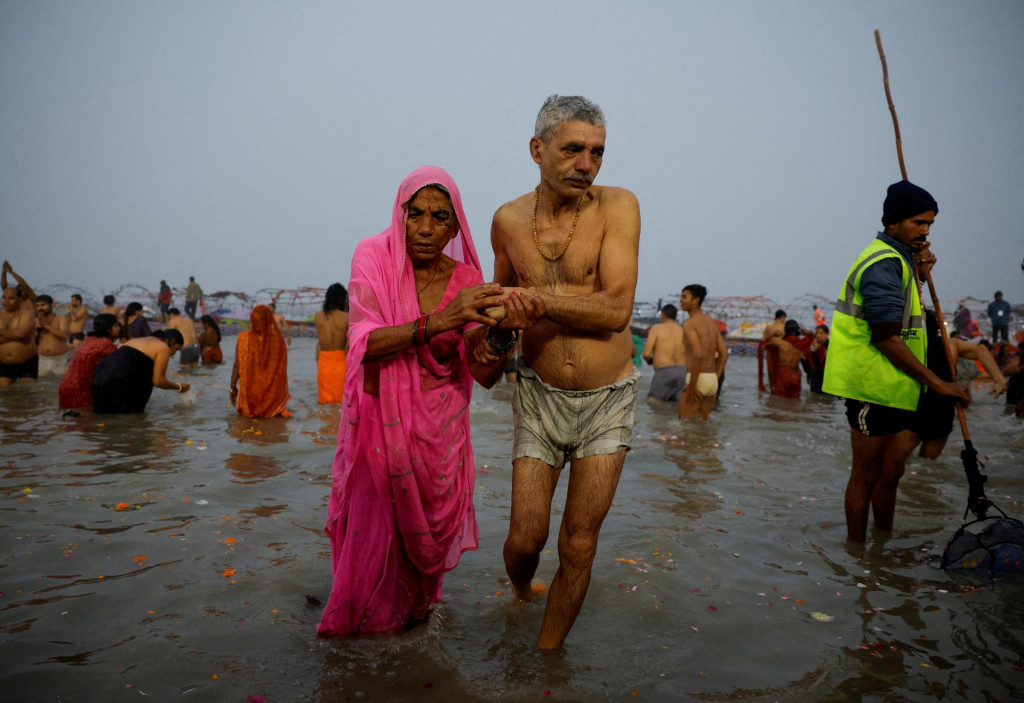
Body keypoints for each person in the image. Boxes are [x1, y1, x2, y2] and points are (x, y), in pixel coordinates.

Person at [317, 166, 515, 637]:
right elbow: (363, 342)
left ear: (455, 226)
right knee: (373, 548)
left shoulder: (466, 278)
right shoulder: (373, 256)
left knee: (418, 578)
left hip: (438, 441)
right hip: (378, 433)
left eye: (440, 217)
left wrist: (503, 334)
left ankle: (408, 642)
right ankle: (361, 643)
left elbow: (483, 373)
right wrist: (442, 320)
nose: (426, 228)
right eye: (415, 214)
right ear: (399, 214)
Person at [489, 95, 641, 649]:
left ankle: (545, 664)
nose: (587, 164)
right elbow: (499, 312)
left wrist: (535, 302)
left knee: (578, 543)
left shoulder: (618, 206)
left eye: (597, 152)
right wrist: (494, 331)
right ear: (537, 149)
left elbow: (616, 309)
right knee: (525, 538)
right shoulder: (508, 221)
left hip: (607, 399)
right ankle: (520, 592)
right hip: (539, 394)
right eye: (573, 149)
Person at [821, 180, 970, 543]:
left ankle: (881, 549)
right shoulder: (883, 263)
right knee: (866, 475)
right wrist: (939, 384)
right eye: (919, 222)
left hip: (894, 386)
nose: (926, 231)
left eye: (930, 224)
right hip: (870, 386)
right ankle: (858, 557)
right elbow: (886, 336)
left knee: (891, 473)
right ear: (893, 222)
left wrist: (920, 273)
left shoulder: (900, 261)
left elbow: (903, 317)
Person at [899, 310, 1007, 459]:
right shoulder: (951, 345)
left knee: (897, 462)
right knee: (926, 463)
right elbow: (980, 351)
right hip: (941, 409)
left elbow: (979, 351)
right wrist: (999, 380)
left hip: (915, 407)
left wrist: (999, 380)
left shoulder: (904, 346)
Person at [92, 329, 191, 413]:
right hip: (121, 378)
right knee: (125, 420)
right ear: (172, 340)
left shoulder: (137, 341)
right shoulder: (163, 347)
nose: (173, 353)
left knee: (103, 414)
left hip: (100, 372)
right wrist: (179, 387)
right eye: (176, 349)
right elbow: (158, 381)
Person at [229, 305, 291, 419]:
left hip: (250, 395)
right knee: (273, 423)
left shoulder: (243, 338)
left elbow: (237, 365)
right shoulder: (277, 342)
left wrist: (232, 388)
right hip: (271, 396)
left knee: (246, 422)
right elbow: (280, 372)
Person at [678, 284, 728, 419]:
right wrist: (716, 378)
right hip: (712, 379)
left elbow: (698, 355)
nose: (681, 300)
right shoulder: (712, 323)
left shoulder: (689, 323)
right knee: (702, 427)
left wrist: (692, 385)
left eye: (684, 297)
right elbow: (724, 354)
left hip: (697, 378)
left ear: (696, 300)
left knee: (684, 425)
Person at [59, 313, 121, 409]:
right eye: (116, 326)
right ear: (108, 329)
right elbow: (116, 372)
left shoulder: (87, 340)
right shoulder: (107, 345)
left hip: (65, 385)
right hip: (81, 389)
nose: (119, 328)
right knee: (85, 416)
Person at [758, 320, 815, 398]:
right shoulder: (801, 343)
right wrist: (806, 332)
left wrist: (772, 335)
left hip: (783, 374)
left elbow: (763, 345)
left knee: (779, 399)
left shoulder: (780, 343)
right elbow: (812, 336)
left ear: (786, 331)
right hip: (796, 375)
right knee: (795, 401)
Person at [643, 303, 687, 402]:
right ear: (675, 316)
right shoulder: (682, 330)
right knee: (674, 405)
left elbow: (646, 354)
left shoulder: (656, 328)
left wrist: (650, 361)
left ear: (663, 314)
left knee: (652, 402)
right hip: (682, 371)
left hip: (664, 371)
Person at [314, 283, 349, 404]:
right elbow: (348, 347)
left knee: (325, 403)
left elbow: (319, 345)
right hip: (341, 362)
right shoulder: (347, 317)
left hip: (323, 362)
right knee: (342, 403)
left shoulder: (318, 317)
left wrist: (319, 363)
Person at [0, 286, 38, 386]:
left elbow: (21, 334)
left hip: (27, 361)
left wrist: (18, 335)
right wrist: (17, 337)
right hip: (3, 362)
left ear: (19, 299)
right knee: (4, 392)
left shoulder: (27, 314)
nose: (6, 301)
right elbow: (20, 336)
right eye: (4, 297)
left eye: (11, 298)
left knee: (28, 391)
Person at [35, 294, 69, 377]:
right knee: (42, 383)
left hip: (59, 359)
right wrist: (37, 331)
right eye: (38, 306)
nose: (40, 308)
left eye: (43, 305)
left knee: (59, 382)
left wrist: (47, 326)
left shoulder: (61, 318)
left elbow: (64, 335)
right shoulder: (37, 321)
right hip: (42, 359)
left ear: (51, 305)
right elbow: (32, 340)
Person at [802, 324, 829, 394]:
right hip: (814, 379)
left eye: (821, 333)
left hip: (826, 380)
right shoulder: (813, 346)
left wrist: (819, 349)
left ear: (827, 334)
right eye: (816, 333)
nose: (818, 335)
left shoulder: (830, 346)